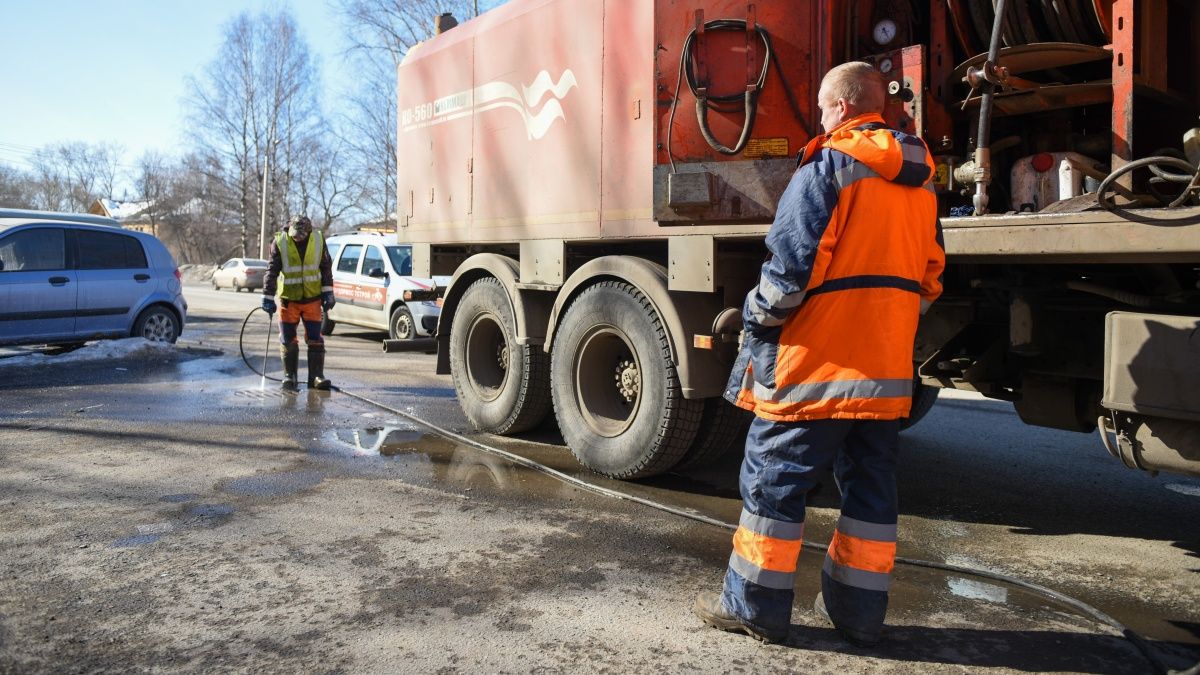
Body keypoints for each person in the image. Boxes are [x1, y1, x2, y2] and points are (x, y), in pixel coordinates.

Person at [693, 61, 946, 646]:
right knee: (870, 492)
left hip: (814, 367)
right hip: (883, 373)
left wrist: (755, 315)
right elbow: (931, 278)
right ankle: (859, 617)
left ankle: (754, 606)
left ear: (839, 107)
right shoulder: (920, 180)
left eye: (824, 108)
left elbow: (788, 274)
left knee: (774, 484)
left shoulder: (828, 165)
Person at [261, 215, 336, 391]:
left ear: (309, 231)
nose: (297, 238)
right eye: (295, 234)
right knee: (288, 339)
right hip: (289, 300)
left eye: (301, 235)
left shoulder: (318, 239)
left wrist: (328, 293)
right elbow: (272, 270)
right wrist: (268, 296)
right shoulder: (280, 241)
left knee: (315, 338)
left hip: (312, 299)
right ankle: (290, 376)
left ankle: (316, 377)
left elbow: (326, 268)